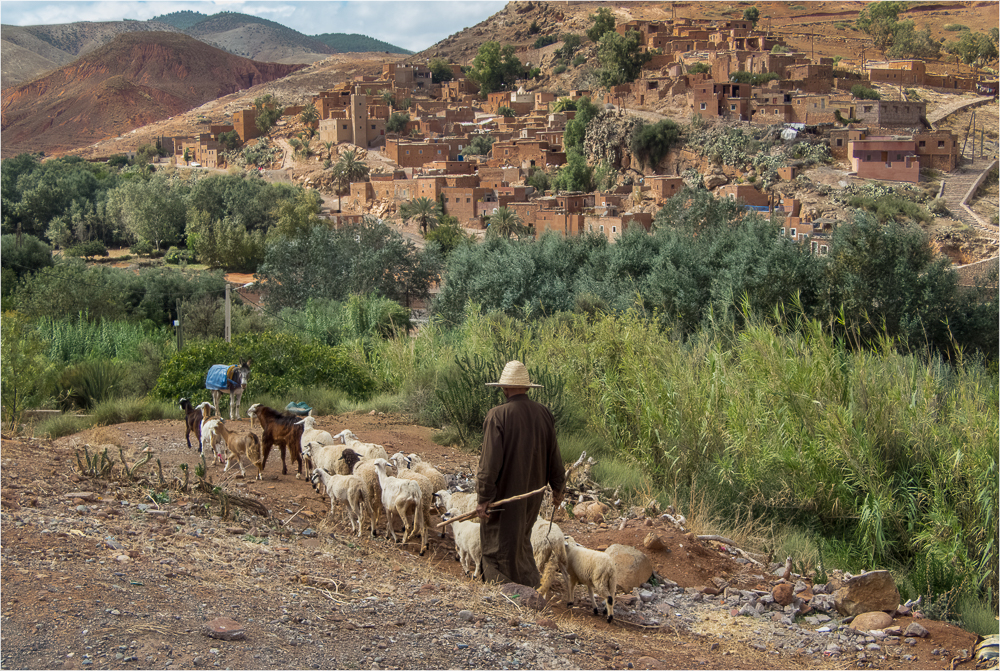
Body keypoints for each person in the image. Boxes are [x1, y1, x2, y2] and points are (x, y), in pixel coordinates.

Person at [476, 360, 566, 587]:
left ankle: (506, 592)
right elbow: (555, 455)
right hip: (532, 494)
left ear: (504, 388)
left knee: (497, 544)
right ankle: (528, 585)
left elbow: (489, 465)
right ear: (526, 387)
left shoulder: (497, 416)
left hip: (505, 496)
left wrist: (484, 498)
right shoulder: (543, 414)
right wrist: (558, 488)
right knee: (520, 539)